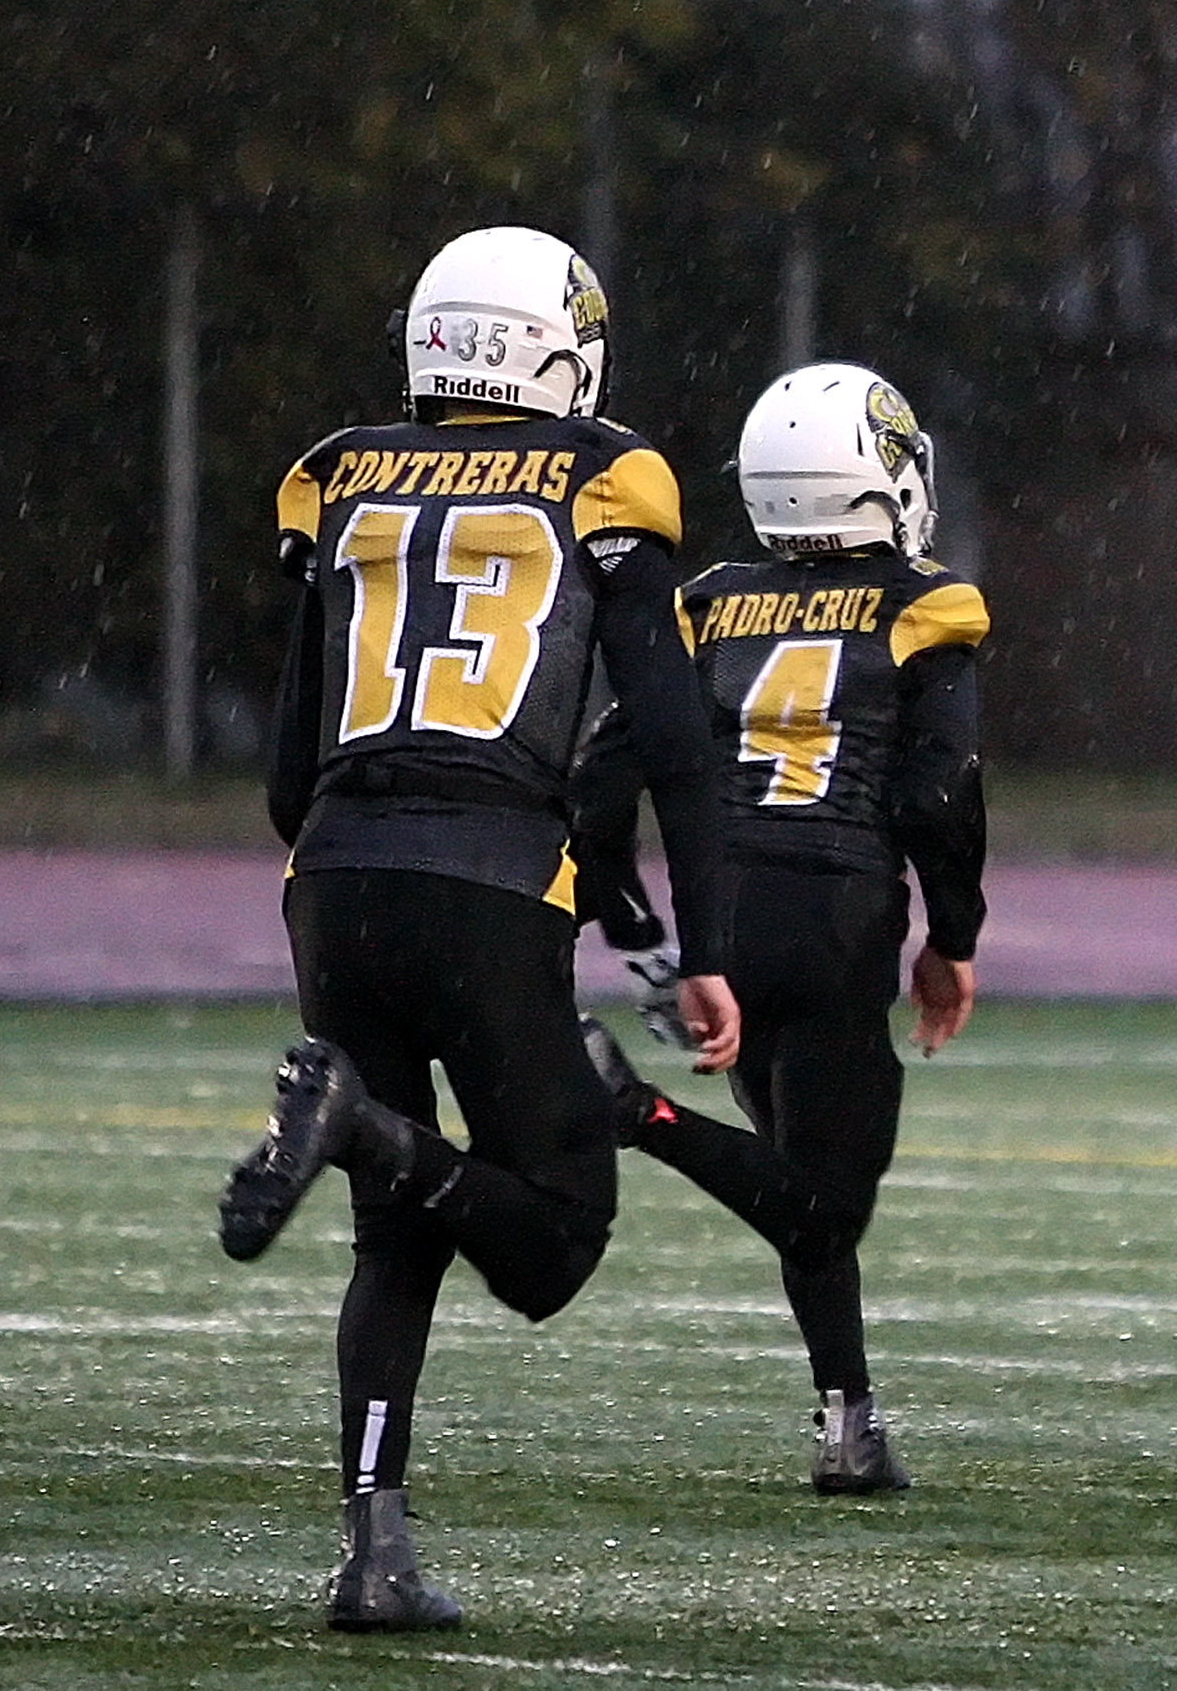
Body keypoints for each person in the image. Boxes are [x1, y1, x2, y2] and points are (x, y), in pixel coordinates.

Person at [215, 225, 739, 1629]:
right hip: (491, 870)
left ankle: (371, 1551)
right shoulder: (606, 474)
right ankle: (369, 1129)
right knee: (555, 1232)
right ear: (551, 348)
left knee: (400, 1236)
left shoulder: (340, 472)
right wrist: (705, 946)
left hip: (331, 872)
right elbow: (677, 743)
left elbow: (283, 767)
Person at [571, 360, 988, 1494]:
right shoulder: (926, 604)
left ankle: (849, 1421)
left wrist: (647, 938)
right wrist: (952, 933)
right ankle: (636, 1111)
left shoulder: (703, 603)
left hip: (727, 915)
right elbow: (935, 793)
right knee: (825, 1201)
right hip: (835, 911)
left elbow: (598, 790)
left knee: (796, 1185)